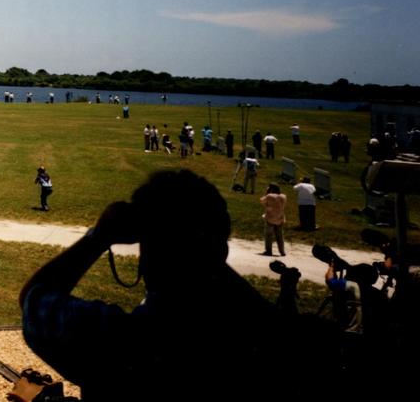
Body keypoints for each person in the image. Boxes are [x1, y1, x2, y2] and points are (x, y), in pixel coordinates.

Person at [20, 170, 310, 401]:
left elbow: (35, 298)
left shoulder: (119, 340)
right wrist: (205, 252)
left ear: (148, 254)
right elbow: (274, 325)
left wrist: (99, 237)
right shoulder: (283, 345)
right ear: (221, 247)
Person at [261, 183, 287, 256]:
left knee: (268, 235)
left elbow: (262, 201)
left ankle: (268, 251)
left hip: (270, 218)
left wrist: (267, 193)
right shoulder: (283, 196)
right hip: (280, 218)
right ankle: (282, 251)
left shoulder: (269, 196)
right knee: (280, 236)